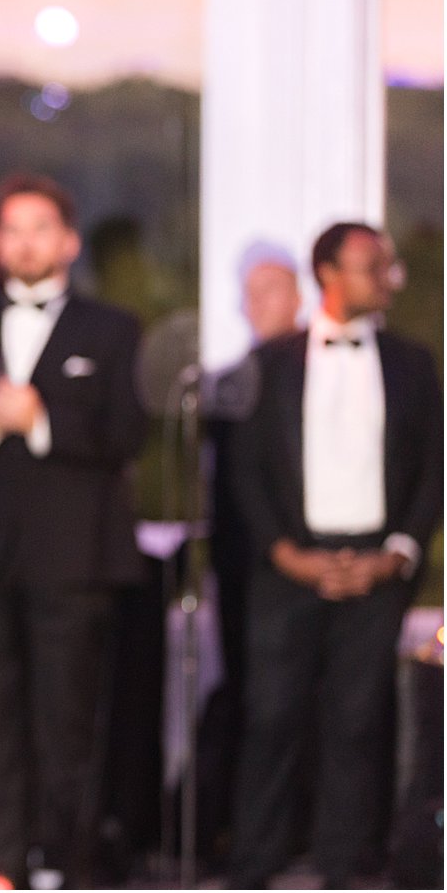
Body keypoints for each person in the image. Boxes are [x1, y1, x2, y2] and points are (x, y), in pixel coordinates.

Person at [0, 173, 146, 887]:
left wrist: (43, 420)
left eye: (39, 227)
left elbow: (128, 433)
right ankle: (7, 866)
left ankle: (72, 866)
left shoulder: (115, 330)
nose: (23, 241)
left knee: (69, 725)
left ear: (69, 240)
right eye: (11, 228)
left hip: (75, 561)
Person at [226, 222, 442, 889]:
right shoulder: (269, 361)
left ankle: (346, 865)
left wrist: (398, 552)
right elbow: (246, 470)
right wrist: (286, 552)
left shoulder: (413, 361)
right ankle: (255, 863)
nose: (387, 277)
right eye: (371, 265)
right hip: (289, 567)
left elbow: (432, 466)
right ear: (328, 272)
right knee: (272, 717)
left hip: (379, 567)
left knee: (358, 720)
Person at [199, 244, 303, 858]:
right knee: (248, 691)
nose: (255, 303)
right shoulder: (236, 378)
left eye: (270, 289)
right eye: (250, 290)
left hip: (297, 562)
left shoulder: (309, 369)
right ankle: (246, 834)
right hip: (245, 565)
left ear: (298, 294)